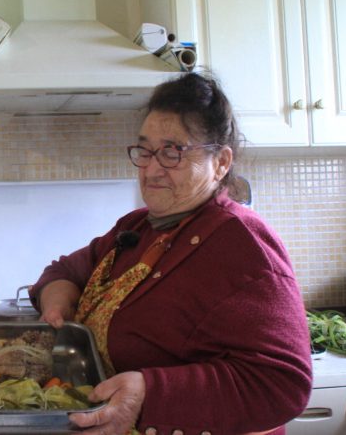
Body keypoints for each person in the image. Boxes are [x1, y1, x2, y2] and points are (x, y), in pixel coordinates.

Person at [29, 72, 312, 435]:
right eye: (145, 150)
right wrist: (58, 302)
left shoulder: (241, 243)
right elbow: (64, 271)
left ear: (221, 162)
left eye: (172, 151)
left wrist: (150, 392)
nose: (151, 169)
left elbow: (283, 384)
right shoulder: (138, 226)